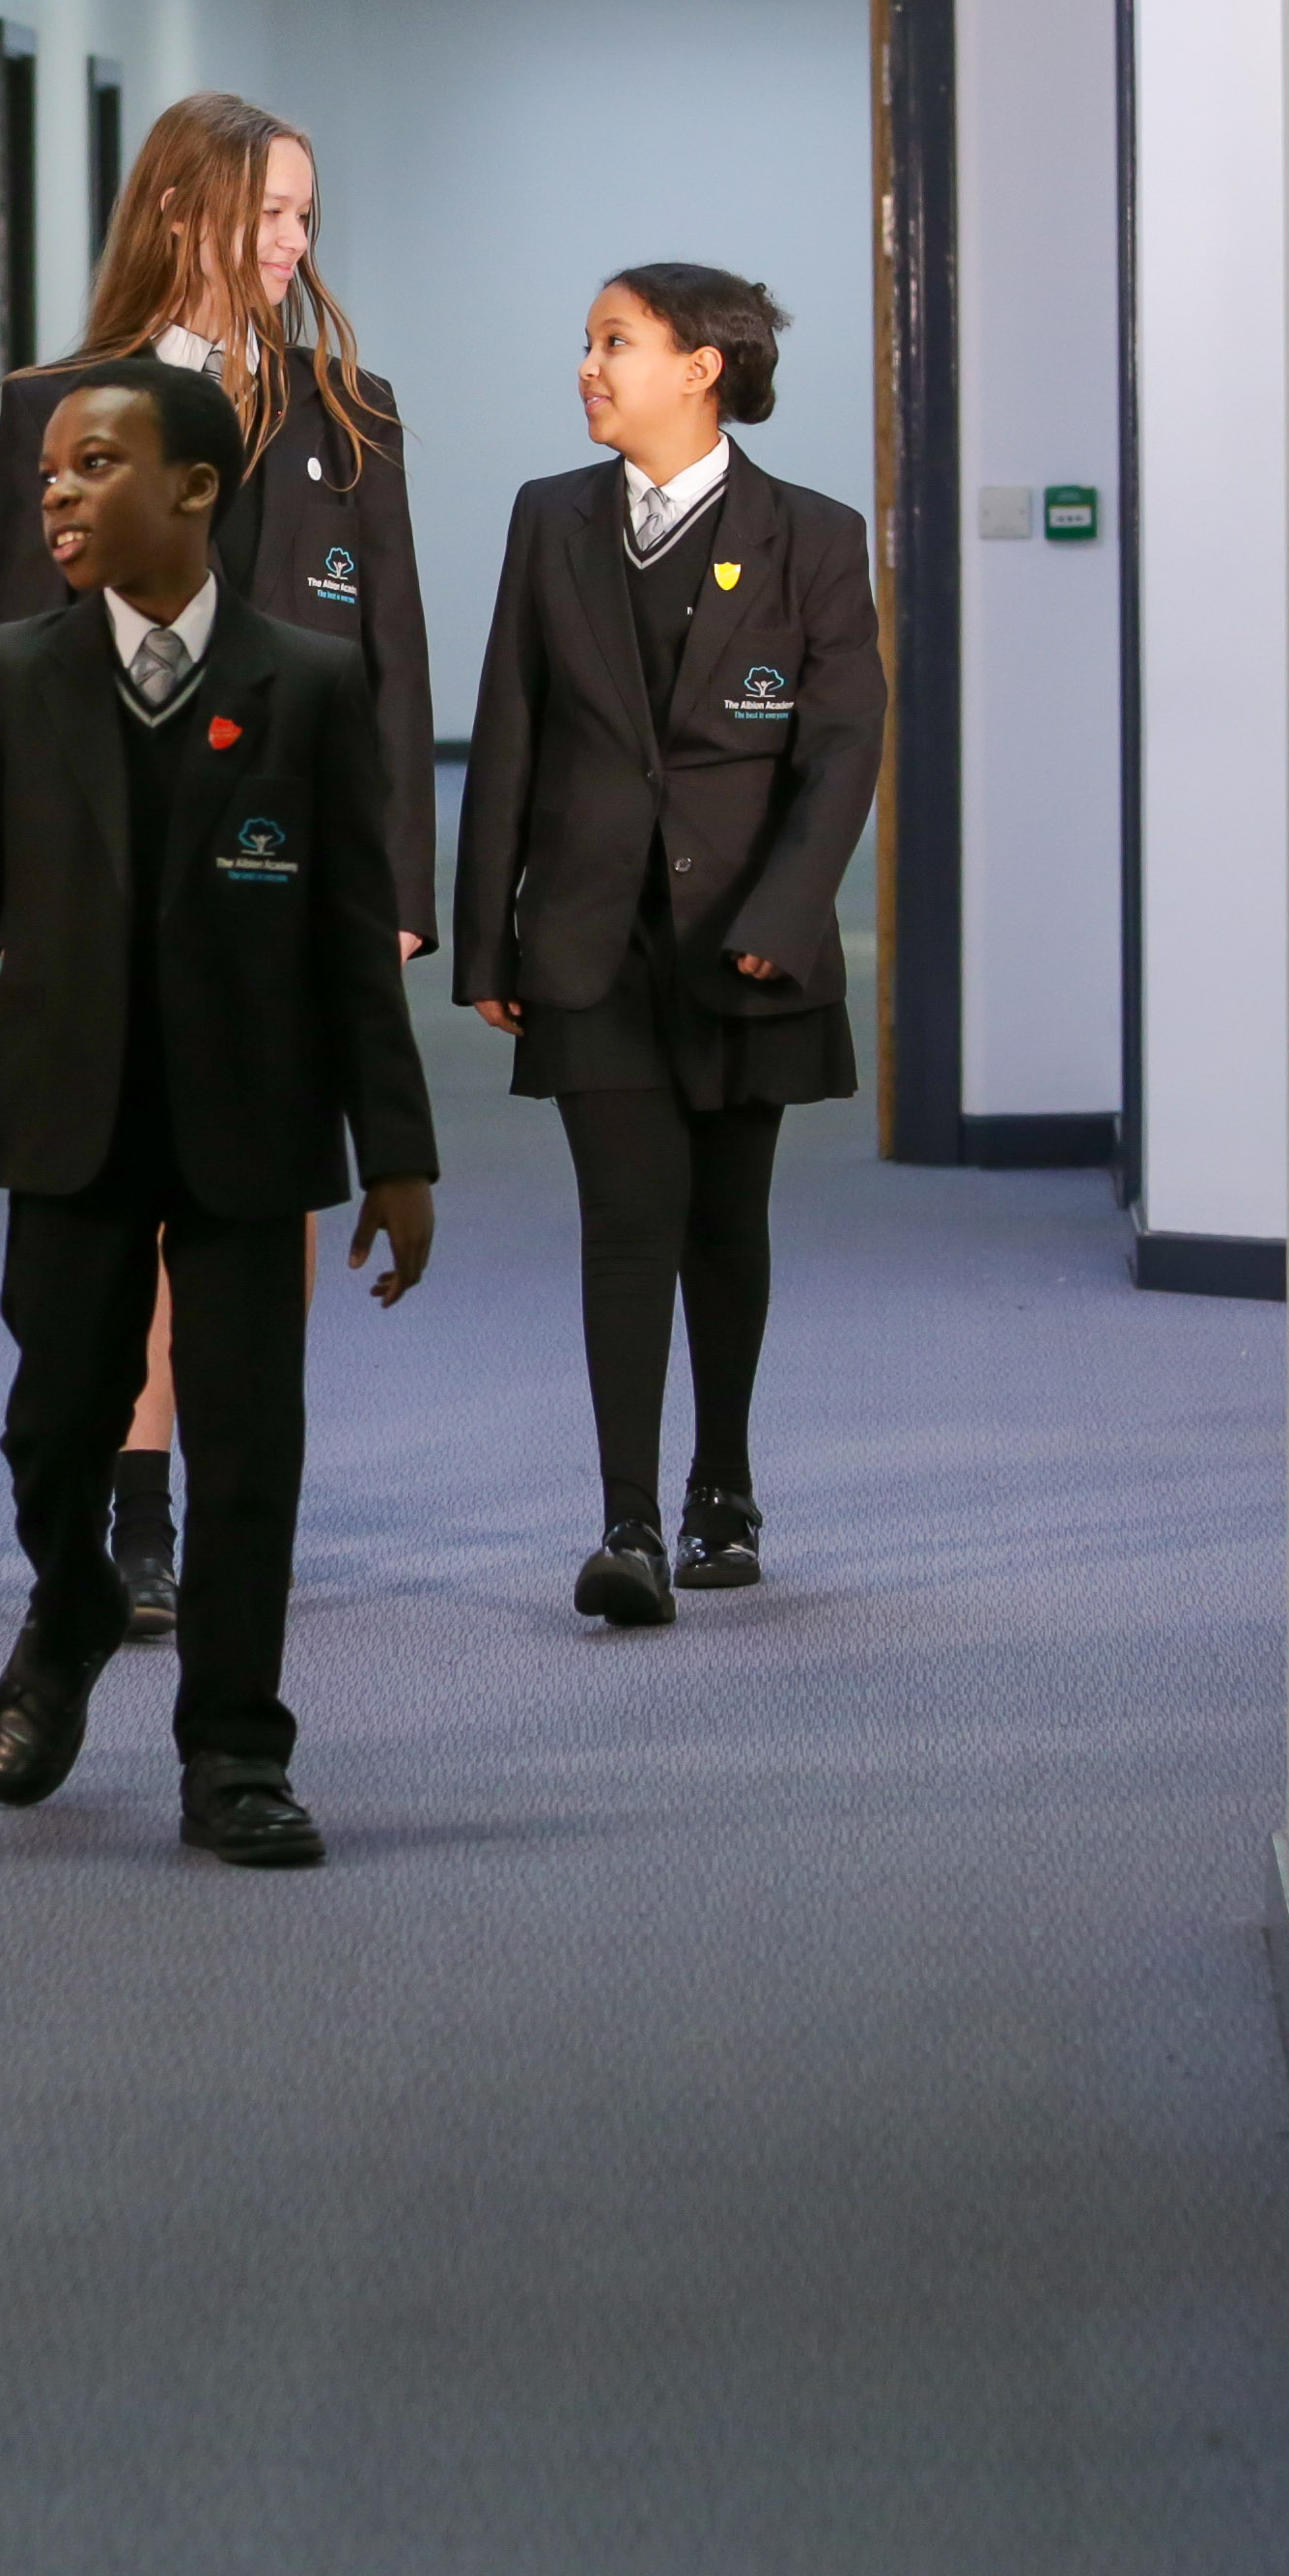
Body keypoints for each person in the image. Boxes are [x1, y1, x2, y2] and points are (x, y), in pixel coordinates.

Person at [0, 357, 436, 1872]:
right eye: (49, 470)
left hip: (254, 1125)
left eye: (95, 465)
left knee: (248, 1446)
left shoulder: (307, 682)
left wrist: (397, 1153)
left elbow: (351, 941)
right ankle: (67, 1610)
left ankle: (237, 1751)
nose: (56, 491)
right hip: (68, 1122)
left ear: (194, 489)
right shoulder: (9, 674)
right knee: (52, 1427)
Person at [0, 91, 434, 1643]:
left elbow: (394, 664)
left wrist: (401, 896)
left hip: (282, 877)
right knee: (119, 1208)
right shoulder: (56, 406)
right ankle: (136, 1511)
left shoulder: (350, 411)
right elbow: (17, 662)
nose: (295, 242)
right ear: (184, 211)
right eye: (269, 212)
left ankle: (236, 1488)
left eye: (308, 214)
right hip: (105, 885)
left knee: (256, 1201)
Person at [448, 266, 882, 1630]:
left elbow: (842, 751)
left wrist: (786, 918)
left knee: (725, 1223)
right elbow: (508, 726)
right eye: (588, 342)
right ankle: (627, 1524)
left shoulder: (813, 536)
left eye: (616, 342)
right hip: (592, 939)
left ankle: (724, 1489)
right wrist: (486, 938)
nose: (589, 365)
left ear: (702, 368)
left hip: (746, 941)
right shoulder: (550, 519)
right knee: (627, 1223)